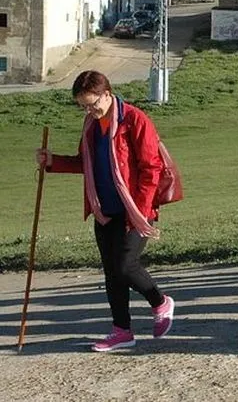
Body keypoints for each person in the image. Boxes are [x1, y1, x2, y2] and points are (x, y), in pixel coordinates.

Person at [36, 70, 175, 352]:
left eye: (92, 103)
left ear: (107, 94)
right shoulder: (91, 125)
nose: (89, 110)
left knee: (126, 266)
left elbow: (151, 168)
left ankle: (160, 302)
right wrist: (52, 162)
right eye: (83, 106)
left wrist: (140, 212)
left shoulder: (135, 120)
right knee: (112, 273)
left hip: (135, 209)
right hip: (104, 209)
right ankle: (122, 331)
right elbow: (83, 163)